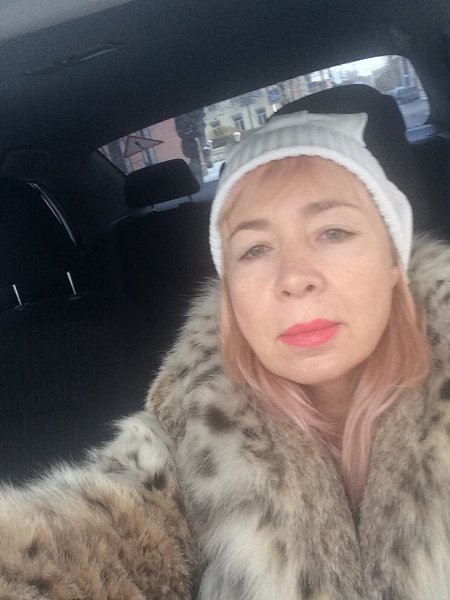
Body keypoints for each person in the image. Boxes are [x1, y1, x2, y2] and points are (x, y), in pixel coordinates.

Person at [0, 110, 449, 600]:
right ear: (231, 293)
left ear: (394, 261)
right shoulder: (189, 431)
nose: (294, 277)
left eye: (332, 232)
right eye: (255, 249)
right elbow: (88, 545)